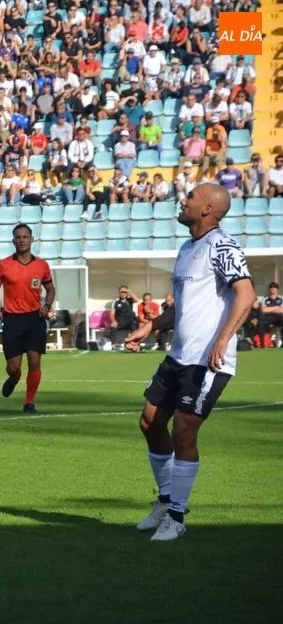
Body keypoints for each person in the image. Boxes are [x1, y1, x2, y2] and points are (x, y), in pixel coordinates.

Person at [125, 183, 256, 541]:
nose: (184, 201)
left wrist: (224, 338)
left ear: (208, 210)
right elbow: (182, 306)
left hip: (207, 360)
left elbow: (246, 292)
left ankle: (178, 517)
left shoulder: (223, 246)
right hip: (179, 356)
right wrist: (150, 326)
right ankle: (166, 501)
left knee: (184, 431)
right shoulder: (187, 248)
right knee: (150, 422)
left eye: (192, 198)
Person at [0, 224, 56, 414]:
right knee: (14, 367)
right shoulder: (4, 265)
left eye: (25, 236)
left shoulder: (41, 265)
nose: (22, 240)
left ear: (32, 239)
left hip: (35, 319)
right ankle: (13, 379)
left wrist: (47, 306)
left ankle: (29, 402)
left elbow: (50, 289)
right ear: (13, 241)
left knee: (35, 361)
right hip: (12, 320)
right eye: (18, 237)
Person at [254, 282, 282, 349]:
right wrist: (276, 307)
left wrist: (269, 309)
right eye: (271, 287)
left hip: (278, 318)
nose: (272, 289)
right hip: (268, 318)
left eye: (274, 287)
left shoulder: (281, 298)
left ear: (277, 289)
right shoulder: (265, 299)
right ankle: (262, 344)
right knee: (261, 322)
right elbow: (264, 310)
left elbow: (281, 310)